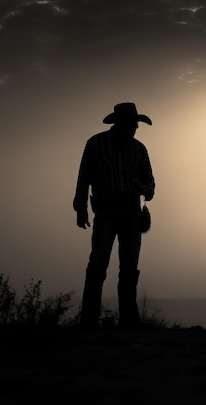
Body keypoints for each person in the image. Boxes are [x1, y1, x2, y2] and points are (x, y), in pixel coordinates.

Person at [73, 102, 155, 329]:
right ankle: (89, 319)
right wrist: (80, 207)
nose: (135, 129)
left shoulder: (139, 149)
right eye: (133, 124)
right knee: (99, 264)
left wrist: (143, 188)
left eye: (135, 125)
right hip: (106, 210)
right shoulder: (96, 144)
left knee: (128, 268)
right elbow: (84, 177)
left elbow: (151, 185)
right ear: (121, 124)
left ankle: (127, 320)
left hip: (130, 211)